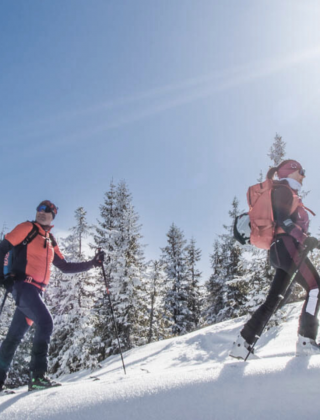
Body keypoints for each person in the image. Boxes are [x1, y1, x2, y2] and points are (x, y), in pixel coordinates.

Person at [0, 200, 104, 391]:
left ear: (53, 215)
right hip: (24, 286)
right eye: (39, 209)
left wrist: (93, 263)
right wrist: (3, 276)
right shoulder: (27, 228)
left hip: (36, 292)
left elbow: (65, 266)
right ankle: (38, 377)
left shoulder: (50, 241)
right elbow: (3, 247)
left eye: (47, 210)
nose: (41, 212)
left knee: (13, 338)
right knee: (46, 322)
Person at [230, 159, 320, 360]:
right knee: (316, 287)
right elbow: (283, 221)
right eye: (301, 171)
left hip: (281, 251)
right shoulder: (284, 191)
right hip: (288, 248)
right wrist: (305, 239)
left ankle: (242, 345)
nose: (304, 175)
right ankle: (306, 340)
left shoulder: (287, 192)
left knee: (275, 299)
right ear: (290, 172)